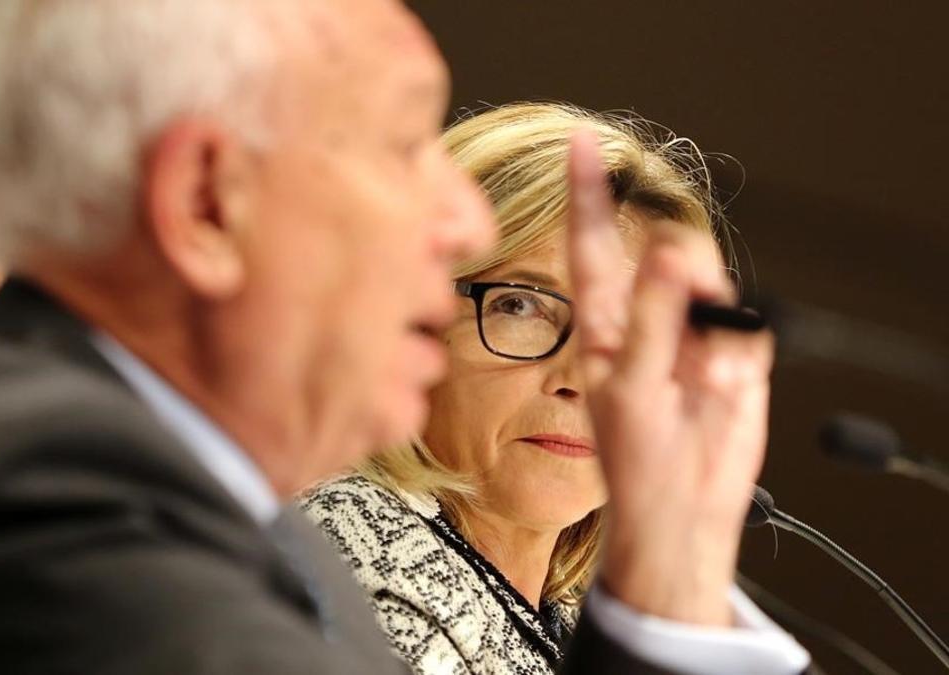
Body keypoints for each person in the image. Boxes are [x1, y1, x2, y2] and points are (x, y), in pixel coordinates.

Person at [0, 1, 810, 673]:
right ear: (207, 204)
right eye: (402, 147)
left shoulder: (169, 507)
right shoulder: (29, 505)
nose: (456, 222)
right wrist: (668, 583)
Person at [300, 102, 809, 673]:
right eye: (521, 305)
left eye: (625, 330)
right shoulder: (356, 558)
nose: (581, 379)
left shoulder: (566, 616)